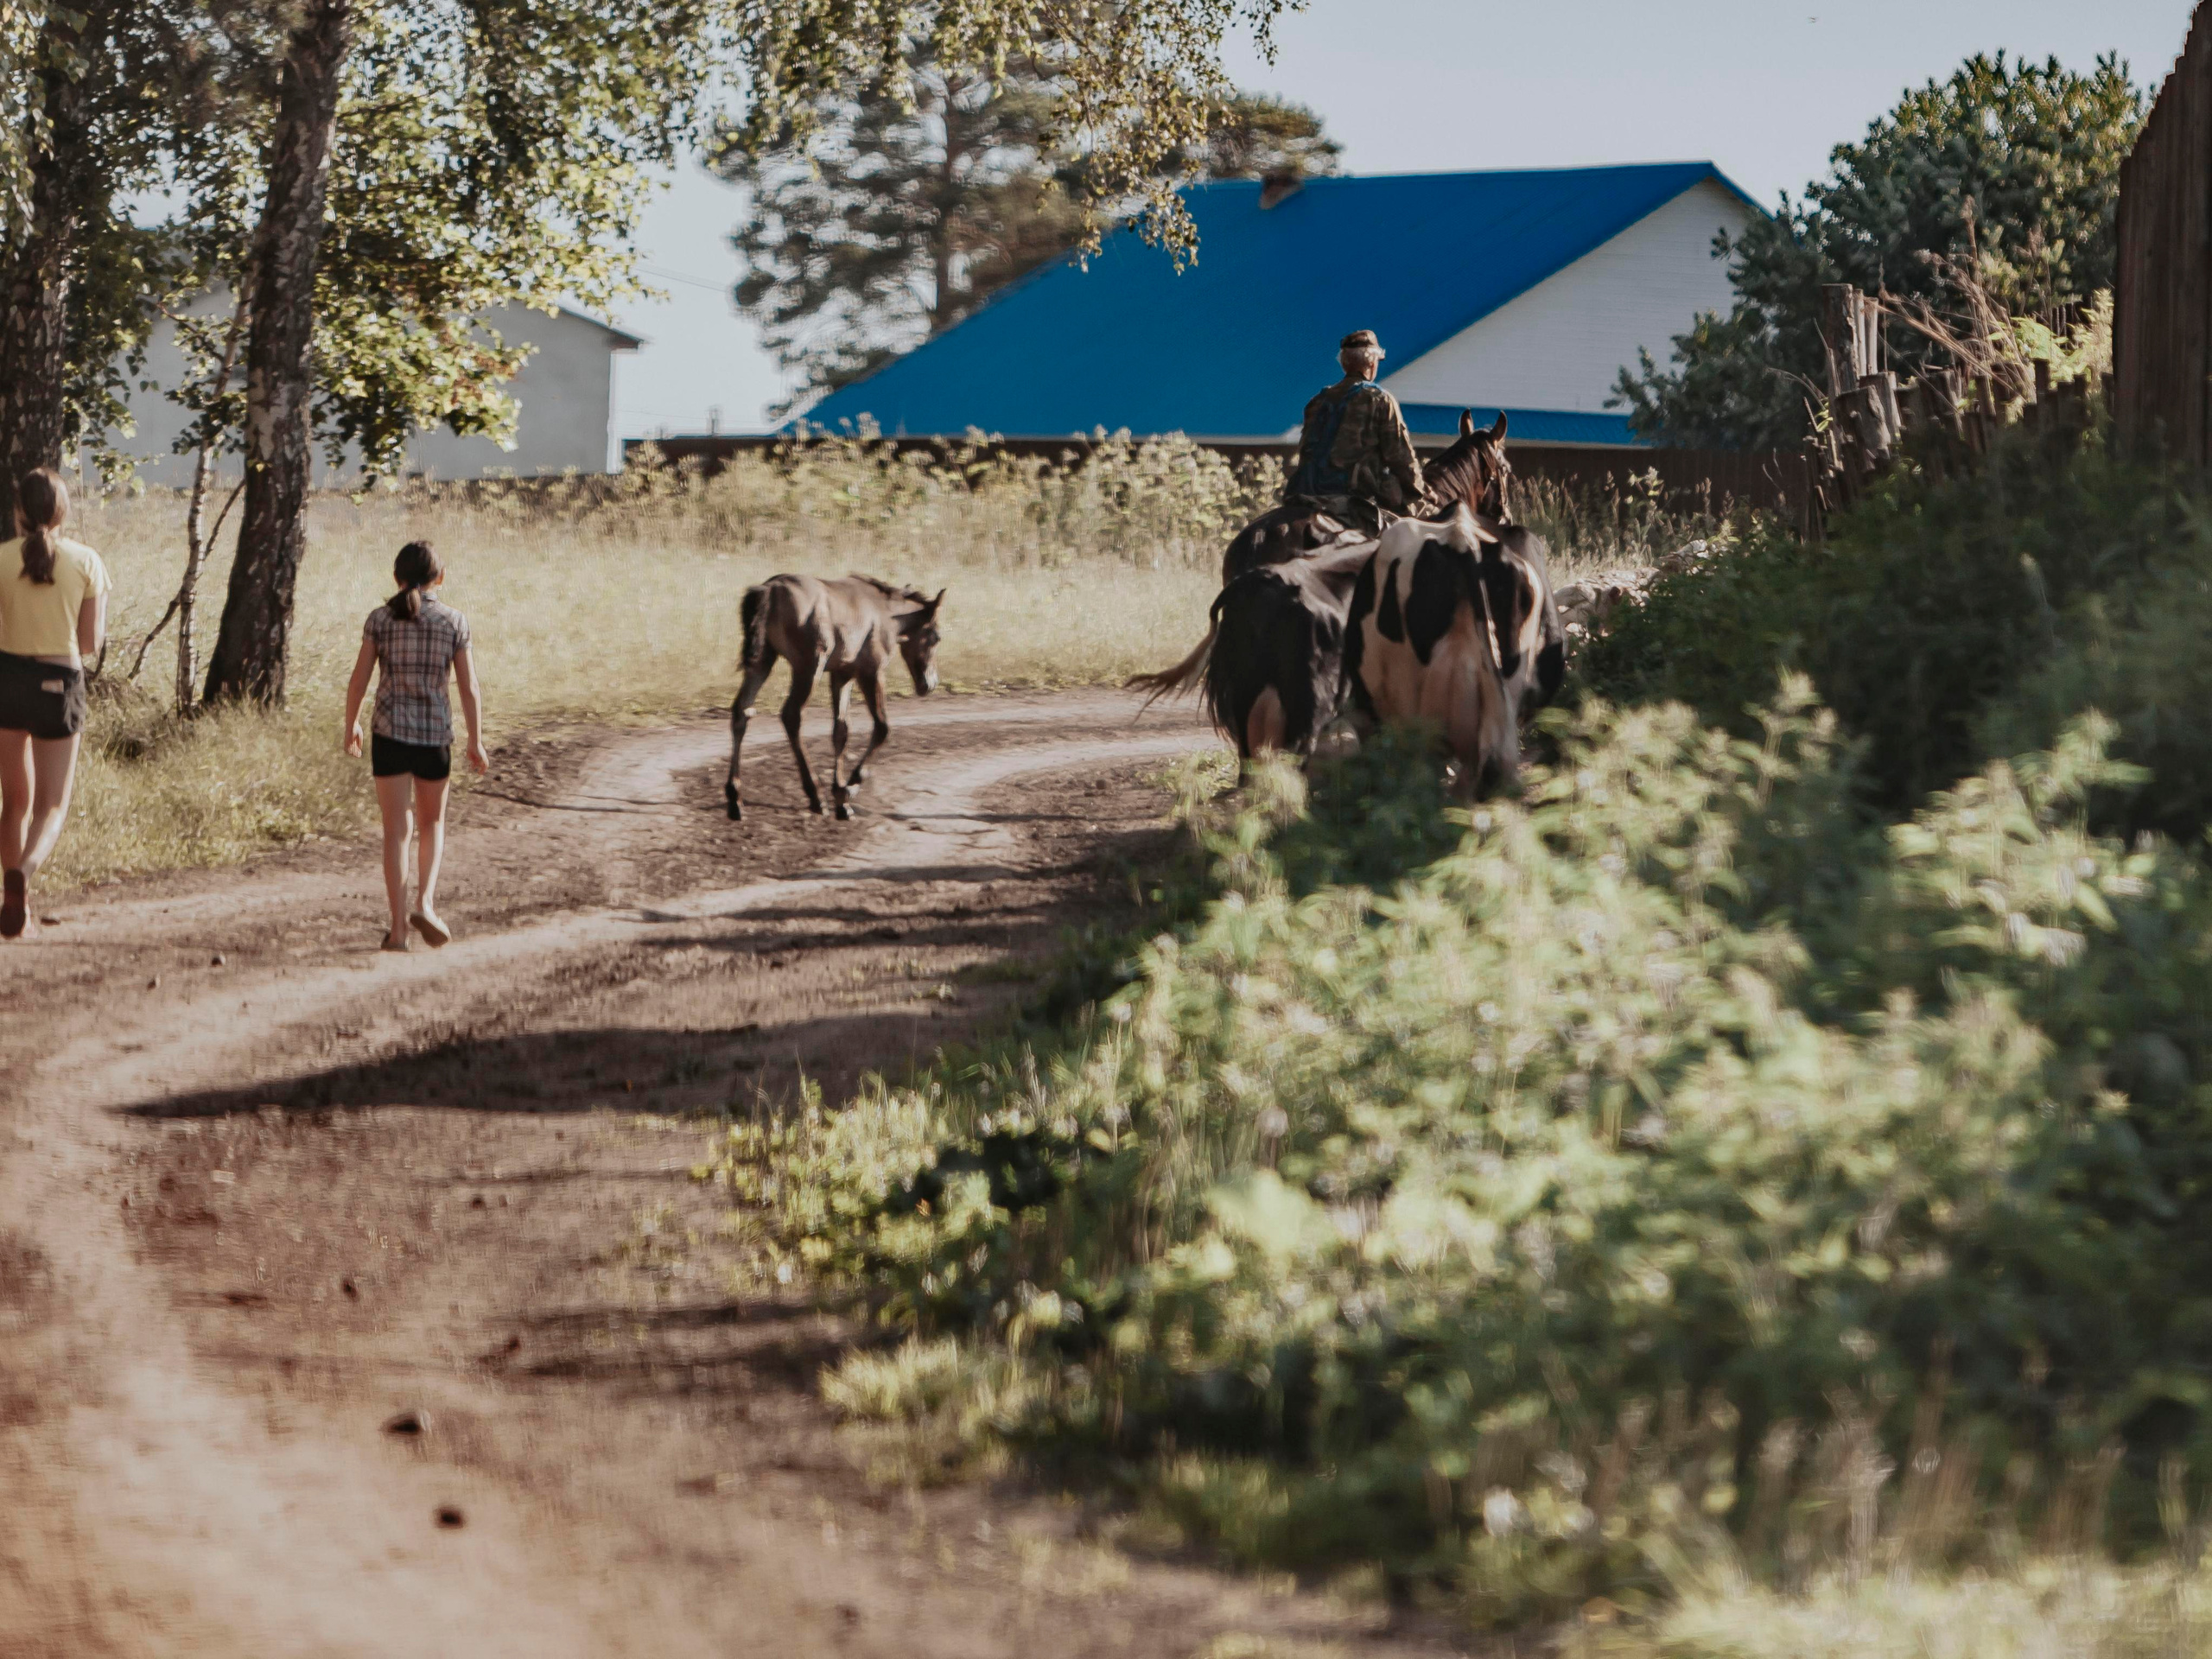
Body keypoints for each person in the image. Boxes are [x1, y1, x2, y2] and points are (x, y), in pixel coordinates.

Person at [341, 540, 487, 952]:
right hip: (434, 737)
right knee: (432, 826)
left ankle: (398, 931)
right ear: (439, 578)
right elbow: (469, 687)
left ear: (396, 577)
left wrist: (351, 723)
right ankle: (425, 902)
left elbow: (360, 678)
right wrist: (475, 740)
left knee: (395, 832)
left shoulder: (380, 620)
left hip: (389, 734)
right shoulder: (455, 622)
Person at [0, 468, 109, 939]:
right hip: (59, 683)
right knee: (52, 804)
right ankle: (24, 873)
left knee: (13, 800)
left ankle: (11, 900)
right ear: (61, 512)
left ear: (18, 511)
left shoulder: (0, 560)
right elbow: (88, 642)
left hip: (6, 678)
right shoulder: (87, 561)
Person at [1283, 328, 1427, 533]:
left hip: (1306, 493)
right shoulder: (1380, 400)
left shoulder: (1317, 401)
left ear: (1344, 363)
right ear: (1371, 363)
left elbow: (1307, 452)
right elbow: (1400, 458)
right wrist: (1419, 496)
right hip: (1357, 497)